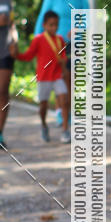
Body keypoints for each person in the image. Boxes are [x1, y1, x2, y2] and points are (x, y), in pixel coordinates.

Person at [35, 0, 89, 123]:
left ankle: (66, 111)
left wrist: (78, 30)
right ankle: (60, 110)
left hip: (73, 44)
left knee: (69, 78)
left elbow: (89, 19)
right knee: (55, 76)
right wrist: (37, 40)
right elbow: (42, 18)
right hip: (53, 43)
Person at [10, 10, 70, 143]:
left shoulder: (60, 39)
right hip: (43, 78)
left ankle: (65, 130)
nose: (54, 28)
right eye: (51, 25)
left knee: (65, 101)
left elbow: (64, 57)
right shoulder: (38, 40)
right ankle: (44, 125)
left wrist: (63, 61)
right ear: (44, 25)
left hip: (57, 76)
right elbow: (28, 56)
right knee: (43, 106)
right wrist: (17, 55)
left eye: (56, 25)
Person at [0, 0, 16, 150]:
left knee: (3, 92)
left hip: (5, 51)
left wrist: (15, 41)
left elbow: (12, 23)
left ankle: (0, 133)